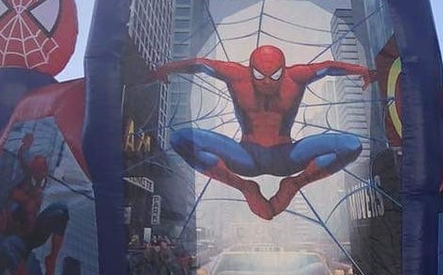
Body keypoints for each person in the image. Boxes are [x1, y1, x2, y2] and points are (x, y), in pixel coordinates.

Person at [155, 45, 374, 221]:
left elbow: (327, 67)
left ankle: (295, 184)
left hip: (286, 156)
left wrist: (361, 71)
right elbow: (201, 64)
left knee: (351, 145)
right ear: (250, 69)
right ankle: (244, 186)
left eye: (275, 75)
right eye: (260, 75)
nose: (267, 81)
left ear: (284, 69)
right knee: (180, 139)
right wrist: (169, 68)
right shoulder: (236, 75)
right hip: (246, 156)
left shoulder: (296, 76)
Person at [0, 132, 69, 275]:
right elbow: (22, 159)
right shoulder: (23, 186)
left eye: (45, 167)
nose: (45, 171)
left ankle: (52, 259)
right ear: (35, 169)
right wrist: (25, 146)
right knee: (7, 246)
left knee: (61, 210)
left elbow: (24, 156)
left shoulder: (43, 182)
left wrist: (26, 146)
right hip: (19, 236)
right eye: (41, 168)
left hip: (35, 233)